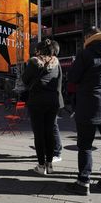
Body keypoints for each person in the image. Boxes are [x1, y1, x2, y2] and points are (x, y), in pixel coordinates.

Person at [65, 29, 101, 195]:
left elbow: (73, 78)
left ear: (88, 38)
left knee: (85, 145)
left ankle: (83, 182)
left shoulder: (85, 53)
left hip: (88, 103)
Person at [22, 39, 64, 175]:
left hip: (37, 101)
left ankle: (41, 166)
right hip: (52, 101)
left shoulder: (33, 62)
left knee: (39, 133)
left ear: (39, 50)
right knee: (50, 131)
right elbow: (59, 82)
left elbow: (25, 79)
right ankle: (50, 165)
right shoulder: (57, 63)